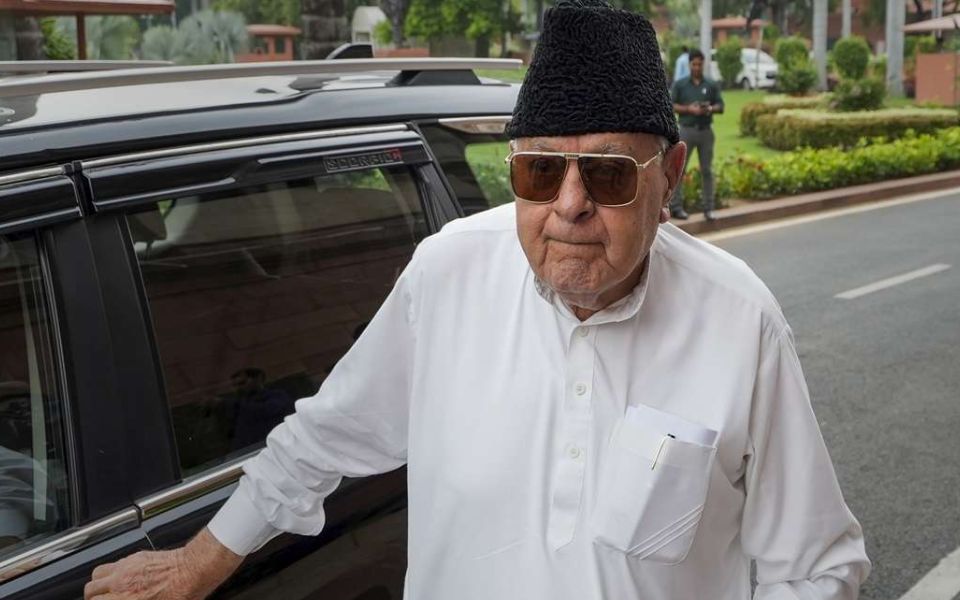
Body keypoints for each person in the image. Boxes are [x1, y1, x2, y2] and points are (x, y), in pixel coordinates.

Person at [84, 2, 870, 599]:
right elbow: (321, 440)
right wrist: (197, 563)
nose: (569, 206)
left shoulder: (739, 321)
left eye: (607, 175)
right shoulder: (448, 274)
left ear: (670, 180)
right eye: (540, 171)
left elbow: (817, 564)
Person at [669, 48, 724, 222]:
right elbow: (671, 105)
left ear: (703, 64)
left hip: (706, 131)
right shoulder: (680, 84)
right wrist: (689, 109)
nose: (697, 68)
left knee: (707, 171)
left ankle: (709, 208)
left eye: (700, 64)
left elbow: (721, 106)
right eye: (694, 64)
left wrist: (710, 108)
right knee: (679, 170)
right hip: (686, 130)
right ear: (689, 64)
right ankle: (676, 207)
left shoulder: (711, 84)